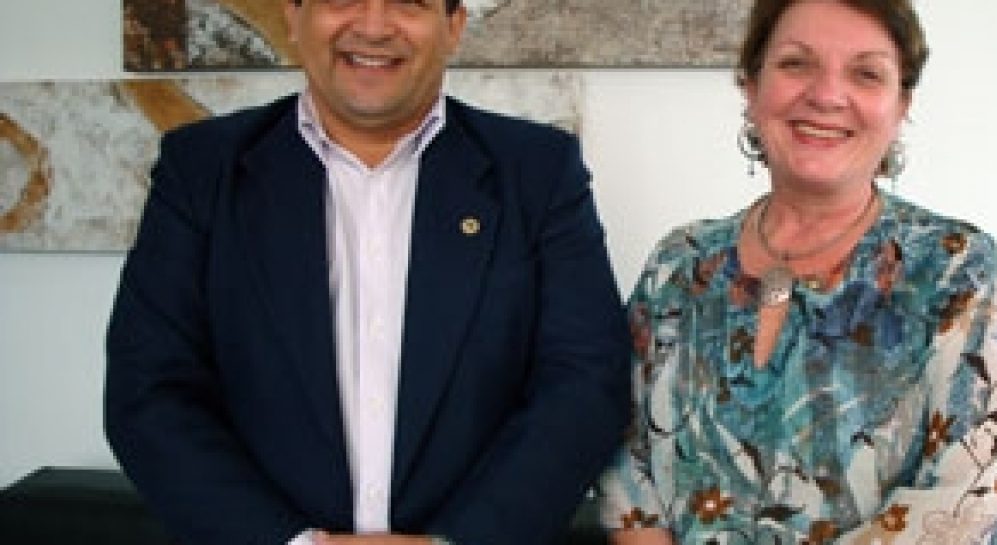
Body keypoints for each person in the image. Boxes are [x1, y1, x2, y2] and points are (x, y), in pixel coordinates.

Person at [103, 0, 630, 544]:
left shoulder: (538, 171)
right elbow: (149, 392)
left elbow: (584, 384)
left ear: (453, 27)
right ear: (293, 17)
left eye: (408, 3)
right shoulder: (201, 170)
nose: (374, 26)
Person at [596, 0, 997, 543]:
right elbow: (627, 468)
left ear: (901, 105)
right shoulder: (679, 266)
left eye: (866, 73)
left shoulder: (956, 270)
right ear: (751, 85)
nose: (827, 95)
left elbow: (978, 502)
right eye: (796, 64)